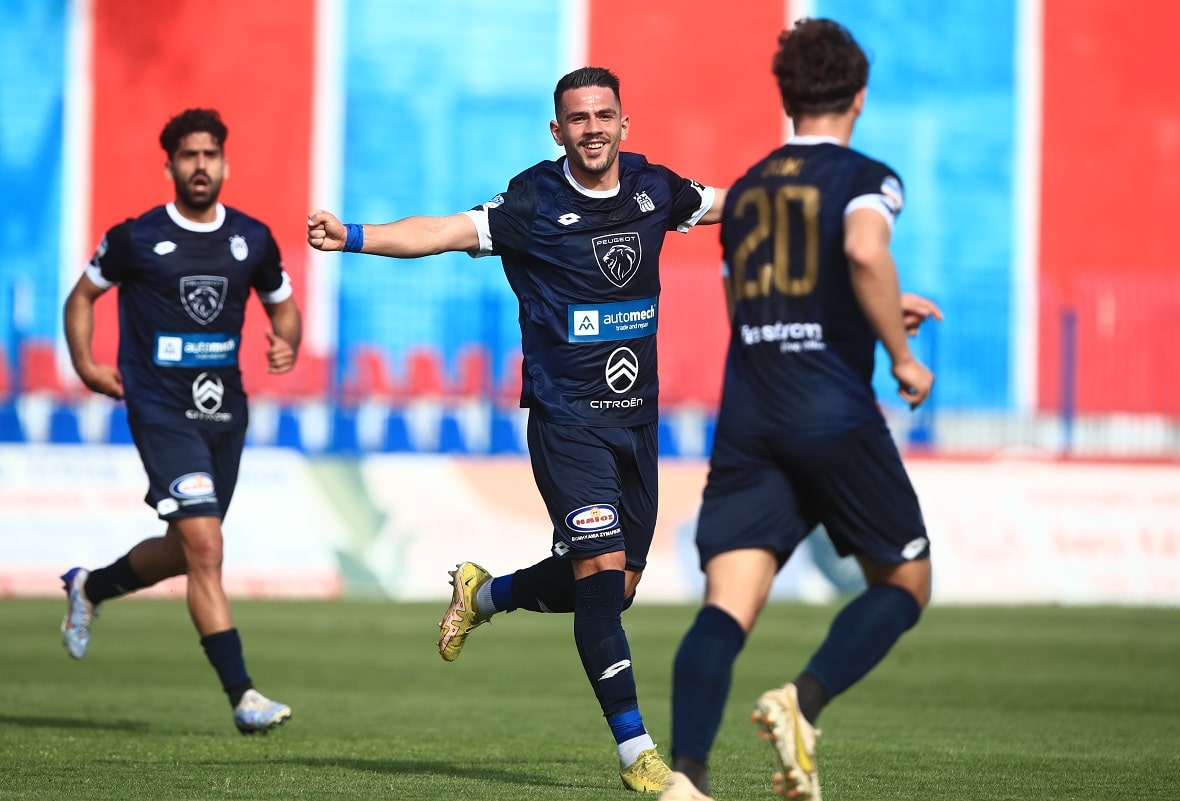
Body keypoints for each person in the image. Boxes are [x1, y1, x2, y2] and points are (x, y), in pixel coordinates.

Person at [307, 66, 723, 792]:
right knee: (600, 576)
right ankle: (638, 755)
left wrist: (800, 198)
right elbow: (441, 231)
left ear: (624, 124)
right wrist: (353, 236)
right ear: (557, 130)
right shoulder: (533, 200)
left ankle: (484, 595)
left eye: (604, 115)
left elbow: (728, 204)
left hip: (638, 423)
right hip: (568, 422)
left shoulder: (655, 188)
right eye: (578, 118)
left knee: (616, 587)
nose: (592, 128)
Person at [660, 19, 941, 801]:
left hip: (751, 411)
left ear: (786, 98)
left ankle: (686, 777)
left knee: (726, 606)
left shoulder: (748, 189)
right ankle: (802, 701)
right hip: (831, 409)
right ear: (859, 98)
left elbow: (746, 303)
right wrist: (900, 353)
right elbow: (863, 250)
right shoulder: (867, 177)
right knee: (905, 579)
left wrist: (863, 310)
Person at [61, 108, 302, 735]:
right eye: (189, 156)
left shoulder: (252, 238)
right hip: (161, 409)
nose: (200, 166)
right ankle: (243, 696)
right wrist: (87, 365)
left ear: (225, 164)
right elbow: (81, 297)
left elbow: (283, 307)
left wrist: (287, 343)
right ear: (169, 165)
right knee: (207, 547)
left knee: (186, 549)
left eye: (209, 155)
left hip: (225, 413)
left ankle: (90, 588)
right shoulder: (135, 238)